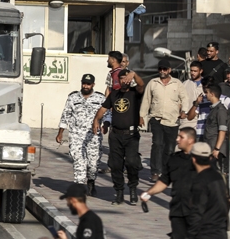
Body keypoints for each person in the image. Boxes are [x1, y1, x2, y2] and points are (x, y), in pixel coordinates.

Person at [92, 68, 144, 205]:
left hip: (131, 135)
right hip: (116, 135)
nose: (124, 81)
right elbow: (103, 108)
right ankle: (119, 192)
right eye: (121, 78)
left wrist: (134, 74)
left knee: (132, 163)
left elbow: (141, 85)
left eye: (127, 78)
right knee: (116, 165)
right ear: (118, 80)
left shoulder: (135, 93)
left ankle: (133, 188)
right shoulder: (114, 94)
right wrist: (96, 120)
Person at [141, 127, 198, 239]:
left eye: (181, 137)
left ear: (190, 140)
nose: (177, 139)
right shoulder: (174, 159)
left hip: (198, 211)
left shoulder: (203, 160)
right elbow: (164, 181)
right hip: (178, 210)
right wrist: (149, 193)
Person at [140, 59, 191, 181]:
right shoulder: (153, 83)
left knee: (169, 148)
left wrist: (184, 111)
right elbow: (146, 100)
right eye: (160, 69)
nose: (162, 71)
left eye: (164, 69)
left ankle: (165, 171)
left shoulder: (177, 83)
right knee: (157, 144)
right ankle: (155, 171)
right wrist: (141, 116)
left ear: (169, 70)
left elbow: (185, 98)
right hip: (156, 118)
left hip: (172, 120)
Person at [56, 74, 105, 195]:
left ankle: (91, 181)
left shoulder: (100, 98)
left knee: (93, 164)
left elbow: (107, 114)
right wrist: (60, 133)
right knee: (79, 161)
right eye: (84, 83)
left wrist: (106, 125)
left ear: (93, 85)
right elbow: (66, 115)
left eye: (88, 84)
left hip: (93, 136)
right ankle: (79, 185)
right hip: (76, 135)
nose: (85, 86)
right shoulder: (73, 98)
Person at [186, 142, 229, 239]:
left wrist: (190, 234)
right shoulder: (218, 176)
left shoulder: (200, 181)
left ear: (193, 159)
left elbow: (197, 211)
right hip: (220, 231)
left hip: (205, 233)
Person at [202, 84, 229, 174]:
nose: (205, 95)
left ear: (212, 94)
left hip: (216, 149)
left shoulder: (220, 110)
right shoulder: (213, 109)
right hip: (210, 147)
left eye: (207, 93)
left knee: (217, 175)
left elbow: (222, 130)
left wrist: (217, 149)